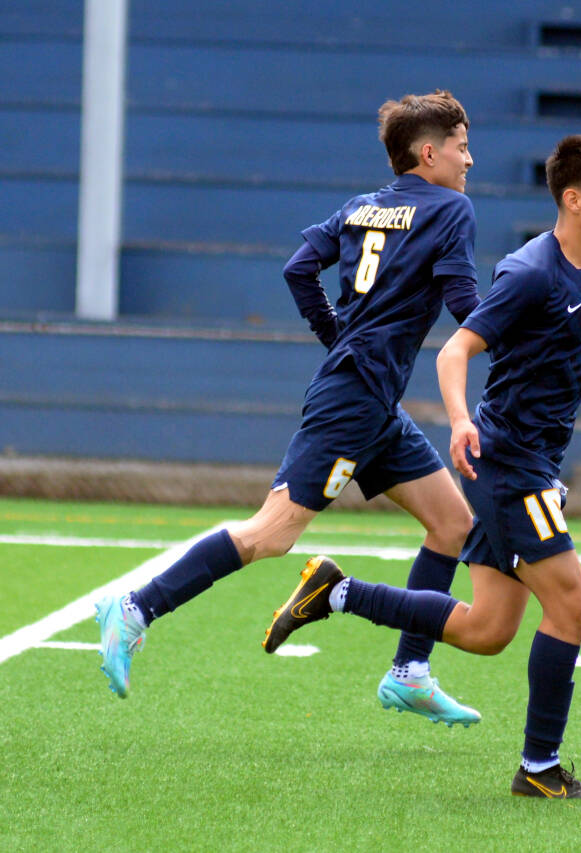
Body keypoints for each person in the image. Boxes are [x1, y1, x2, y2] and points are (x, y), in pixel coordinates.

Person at [261, 134, 581, 800]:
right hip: (509, 464)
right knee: (573, 605)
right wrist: (462, 420)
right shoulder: (530, 273)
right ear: (574, 200)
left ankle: (338, 591)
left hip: (527, 463)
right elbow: (454, 352)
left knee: (488, 629)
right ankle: (540, 768)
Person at [95, 91, 484, 727]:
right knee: (271, 534)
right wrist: (526, 331)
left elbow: (299, 267)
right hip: (354, 399)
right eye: (463, 147)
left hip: (368, 394)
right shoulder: (452, 209)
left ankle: (410, 673)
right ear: (430, 152)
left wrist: (339, 336)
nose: (471, 160)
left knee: (451, 525)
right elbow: (467, 303)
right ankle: (135, 608)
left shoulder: (362, 207)